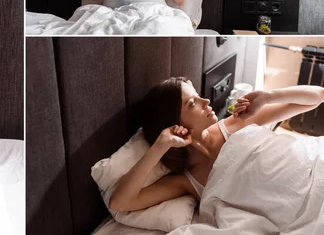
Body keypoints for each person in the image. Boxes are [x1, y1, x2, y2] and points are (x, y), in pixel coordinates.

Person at [109, 77, 324, 212]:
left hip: (312, 170)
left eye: (198, 96)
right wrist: (160, 146)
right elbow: (120, 203)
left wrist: (267, 96)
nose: (207, 102)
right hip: (297, 209)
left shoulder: (235, 122)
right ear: (174, 123)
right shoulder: (185, 180)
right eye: (192, 103)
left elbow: (318, 96)